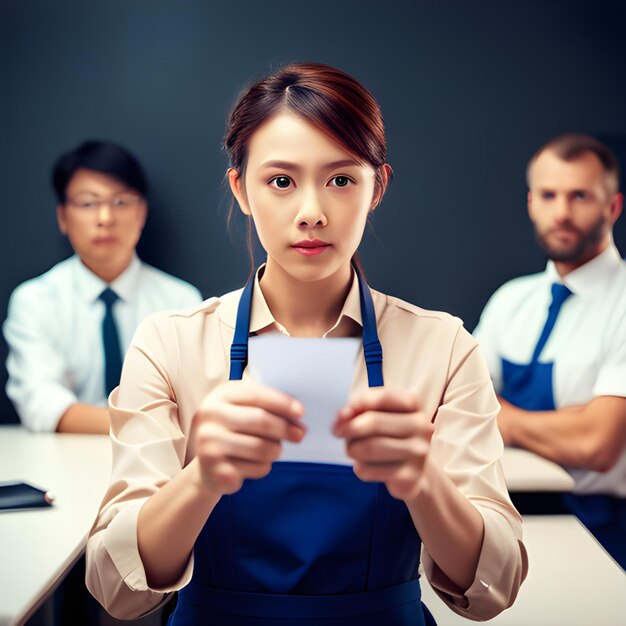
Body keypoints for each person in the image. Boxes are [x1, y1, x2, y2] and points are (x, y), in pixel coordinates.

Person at [86, 63, 527, 625]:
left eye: (341, 180)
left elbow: (495, 589)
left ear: (377, 188)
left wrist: (424, 481)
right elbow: (114, 589)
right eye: (281, 181)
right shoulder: (170, 342)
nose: (312, 212)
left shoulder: (443, 347)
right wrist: (201, 478)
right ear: (241, 189)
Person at [474, 133, 626, 569]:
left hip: (604, 535)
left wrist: (503, 416)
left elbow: (598, 445)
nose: (561, 212)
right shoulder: (510, 301)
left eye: (579, 195)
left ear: (612, 206)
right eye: (549, 195)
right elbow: (455, 412)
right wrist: (573, 420)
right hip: (504, 526)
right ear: (531, 203)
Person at [3, 140, 203, 434]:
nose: (105, 218)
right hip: (62, 458)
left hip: (162, 460)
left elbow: (191, 399)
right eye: (87, 203)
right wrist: (139, 427)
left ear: (142, 213)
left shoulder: (182, 300)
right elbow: (42, 403)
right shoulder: (35, 300)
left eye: (121, 202)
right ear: (62, 216)